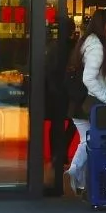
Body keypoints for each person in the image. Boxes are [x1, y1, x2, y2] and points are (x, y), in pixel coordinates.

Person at [65, 6, 106, 197]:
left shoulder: (93, 42)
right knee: (94, 143)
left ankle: (81, 180)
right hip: (92, 104)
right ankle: (77, 173)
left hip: (83, 103)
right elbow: (89, 78)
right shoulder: (98, 46)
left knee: (88, 141)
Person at [42, 16, 77, 196]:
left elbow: (49, 70)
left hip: (54, 92)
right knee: (73, 121)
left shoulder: (52, 47)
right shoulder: (71, 47)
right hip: (64, 93)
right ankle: (60, 154)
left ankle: (58, 155)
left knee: (57, 125)